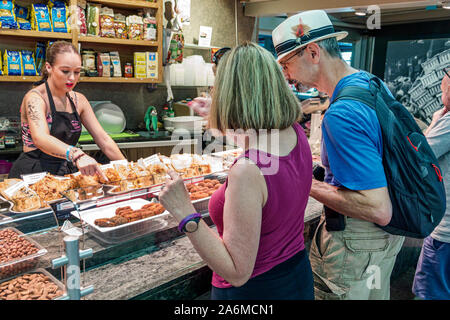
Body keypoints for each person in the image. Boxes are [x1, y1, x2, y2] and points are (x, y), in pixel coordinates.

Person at [159, 42, 314, 300]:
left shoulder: (246, 171)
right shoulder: (294, 133)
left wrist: (184, 213)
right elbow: (255, 139)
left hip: (253, 292)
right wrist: (217, 114)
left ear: (231, 94)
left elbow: (237, 272)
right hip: (295, 276)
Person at [272, 10, 405, 300]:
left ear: (313, 52)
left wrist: (302, 182)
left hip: (357, 240)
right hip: (386, 239)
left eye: (286, 63)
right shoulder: (370, 83)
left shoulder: (342, 112)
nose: (285, 75)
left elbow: (376, 207)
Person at [8, 41, 125, 179]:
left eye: (77, 72)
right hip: (34, 173)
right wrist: (77, 154)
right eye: (65, 71)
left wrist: (126, 167)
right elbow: (40, 138)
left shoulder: (79, 100)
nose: (72, 78)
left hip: (65, 171)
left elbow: (104, 140)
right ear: (49, 67)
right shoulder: (35, 98)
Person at [412, 69, 450, 300]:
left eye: (445, 87)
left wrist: (436, 121)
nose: (440, 90)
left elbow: (417, 157)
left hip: (445, 233)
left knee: (430, 294)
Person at [186, 47, 231, 117]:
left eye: (216, 64)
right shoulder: (220, 89)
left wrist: (210, 111)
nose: (213, 67)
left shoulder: (230, 92)